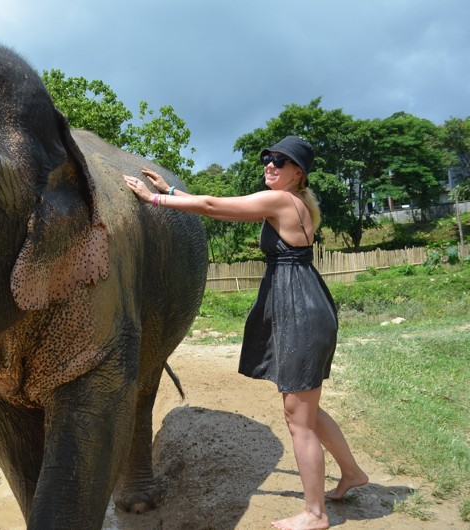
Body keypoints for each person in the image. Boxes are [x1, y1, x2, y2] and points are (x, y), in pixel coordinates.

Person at [123, 136, 368, 530]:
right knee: (307, 409)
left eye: (280, 161)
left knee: (297, 418)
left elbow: (212, 206)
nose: (270, 165)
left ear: (298, 173)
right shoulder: (296, 202)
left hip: (301, 311)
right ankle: (352, 474)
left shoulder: (281, 201)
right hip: (306, 304)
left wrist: (155, 200)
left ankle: (316, 514)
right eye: (268, 159)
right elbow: (214, 202)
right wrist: (170, 189)